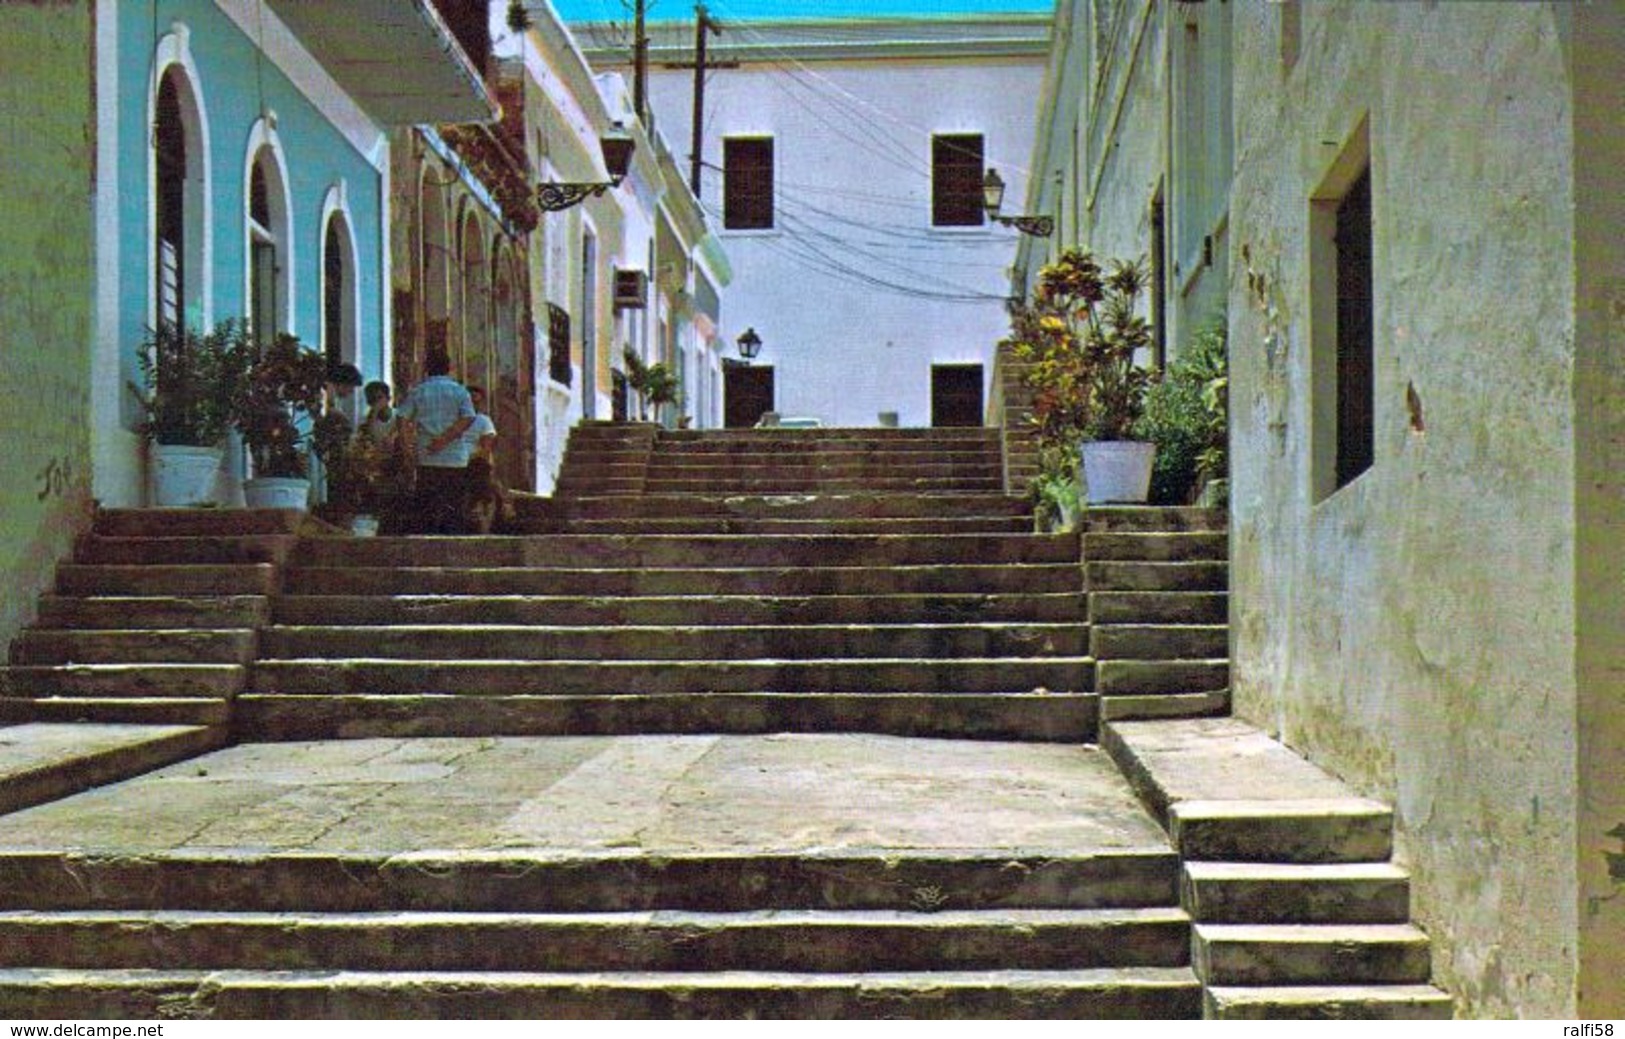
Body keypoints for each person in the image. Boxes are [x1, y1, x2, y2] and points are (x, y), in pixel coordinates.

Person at [396, 350, 475, 534]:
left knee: (426, 508)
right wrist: (445, 438)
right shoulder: (459, 391)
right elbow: (468, 417)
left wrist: (407, 447)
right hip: (454, 457)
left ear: (426, 368)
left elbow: (401, 419)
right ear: (449, 368)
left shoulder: (418, 391)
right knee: (454, 507)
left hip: (427, 455)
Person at [462, 385, 507, 534]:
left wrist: (467, 457)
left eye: (476, 401)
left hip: (474, 463)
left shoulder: (484, 421)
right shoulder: (454, 420)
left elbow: (485, 448)